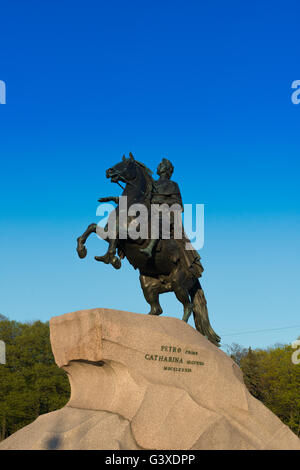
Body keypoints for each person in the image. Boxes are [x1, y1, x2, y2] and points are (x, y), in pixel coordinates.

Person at [140, 158, 183, 258]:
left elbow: (179, 203)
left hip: (165, 215)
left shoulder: (173, 185)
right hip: (150, 212)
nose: (158, 167)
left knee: (158, 221)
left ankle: (150, 248)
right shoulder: (151, 184)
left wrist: (160, 201)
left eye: (161, 165)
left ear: (167, 169)